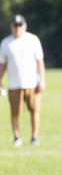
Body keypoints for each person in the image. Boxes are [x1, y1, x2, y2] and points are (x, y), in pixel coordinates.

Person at [0, 15, 45, 146]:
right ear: (11, 27)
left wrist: (42, 80)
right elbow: (2, 64)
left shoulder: (33, 40)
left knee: (34, 110)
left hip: (32, 83)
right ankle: (16, 137)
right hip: (14, 84)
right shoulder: (5, 43)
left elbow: (39, 61)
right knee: (14, 112)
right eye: (15, 25)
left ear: (24, 26)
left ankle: (34, 137)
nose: (17, 28)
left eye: (20, 25)